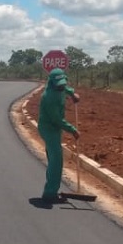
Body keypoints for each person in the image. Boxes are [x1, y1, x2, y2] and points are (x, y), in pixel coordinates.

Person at [38, 68, 81, 203]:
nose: (62, 86)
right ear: (52, 83)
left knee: (54, 159)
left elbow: (65, 89)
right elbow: (57, 119)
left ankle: (51, 190)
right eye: (59, 84)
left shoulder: (59, 88)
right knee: (56, 160)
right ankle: (50, 194)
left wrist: (73, 94)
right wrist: (72, 130)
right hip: (48, 129)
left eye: (63, 83)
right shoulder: (49, 97)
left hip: (55, 129)